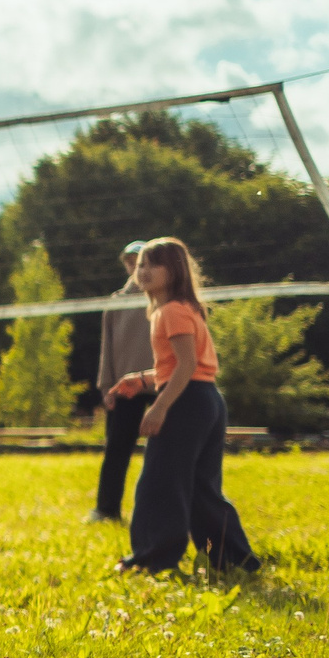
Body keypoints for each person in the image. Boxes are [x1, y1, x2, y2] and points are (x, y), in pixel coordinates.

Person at [108, 238, 258, 576]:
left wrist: (159, 406)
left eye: (151, 264)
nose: (142, 271)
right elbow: (182, 365)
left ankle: (152, 558)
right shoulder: (182, 309)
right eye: (140, 264)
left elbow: (187, 364)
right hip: (206, 400)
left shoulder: (171, 311)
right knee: (201, 489)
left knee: (160, 484)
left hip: (187, 402)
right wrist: (143, 380)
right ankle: (233, 560)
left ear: (173, 270)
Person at [89, 240, 152, 524]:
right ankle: (106, 509)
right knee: (116, 450)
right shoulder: (116, 302)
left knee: (168, 452)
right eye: (128, 260)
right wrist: (106, 386)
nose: (133, 264)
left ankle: (166, 511)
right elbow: (107, 348)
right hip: (125, 388)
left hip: (160, 384)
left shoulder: (164, 298)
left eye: (138, 259)